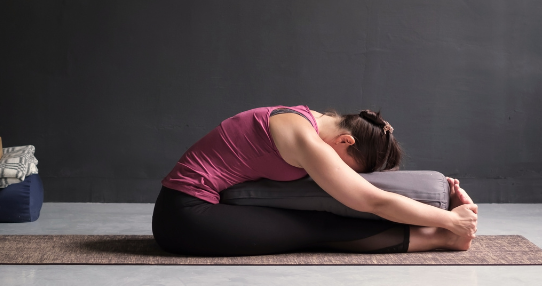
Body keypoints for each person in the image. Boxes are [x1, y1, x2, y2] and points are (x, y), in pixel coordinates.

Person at [152, 104, 478, 256]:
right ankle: (442, 238)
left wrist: (425, 190)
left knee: (316, 219)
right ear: (346, 141)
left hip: (197, 207)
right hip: (184, 217)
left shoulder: (305, 117)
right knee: (316, 227)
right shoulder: (304, 138)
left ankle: (439, 235)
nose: (345, 173)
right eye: (352, 168)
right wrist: (450, 220)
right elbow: (371, 199)